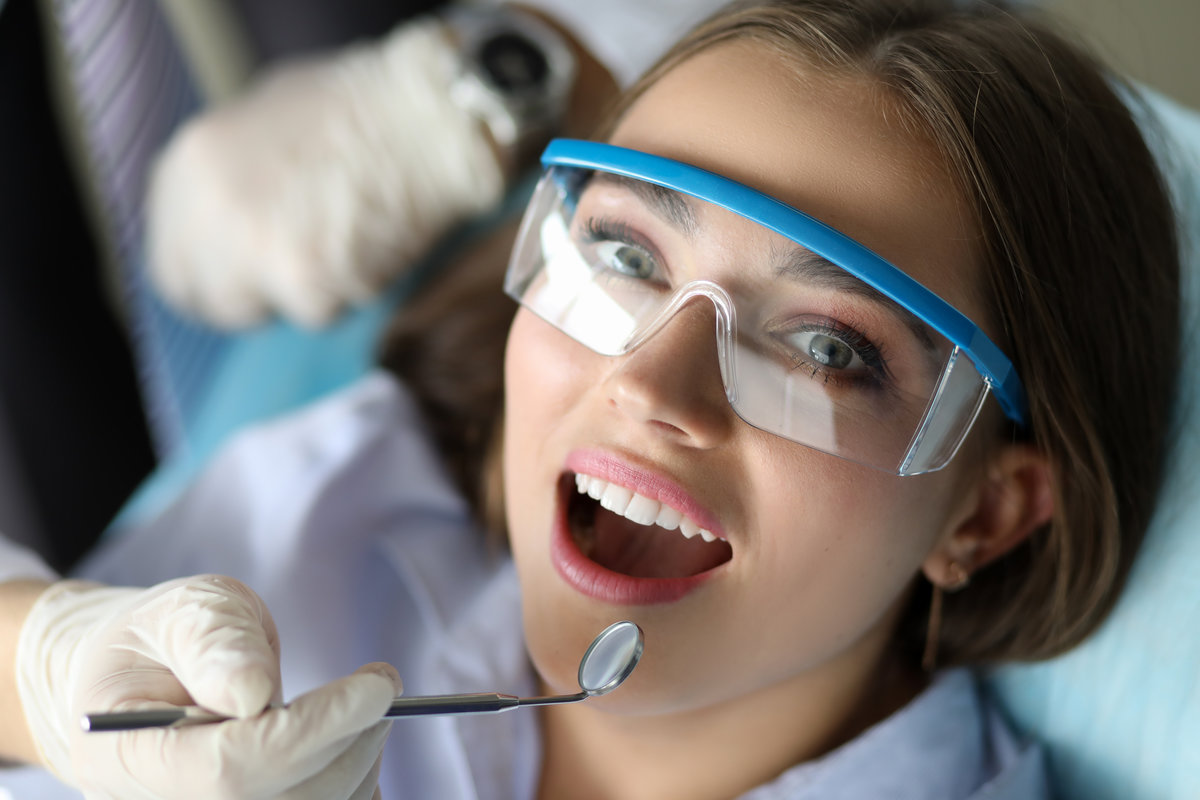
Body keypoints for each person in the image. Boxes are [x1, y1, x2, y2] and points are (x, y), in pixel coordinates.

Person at [1, 0, 1184, 797]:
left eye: (827, 347)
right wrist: (43, 673)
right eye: (625, 257)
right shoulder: (358, 507)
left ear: (984, 513)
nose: (650, 382)